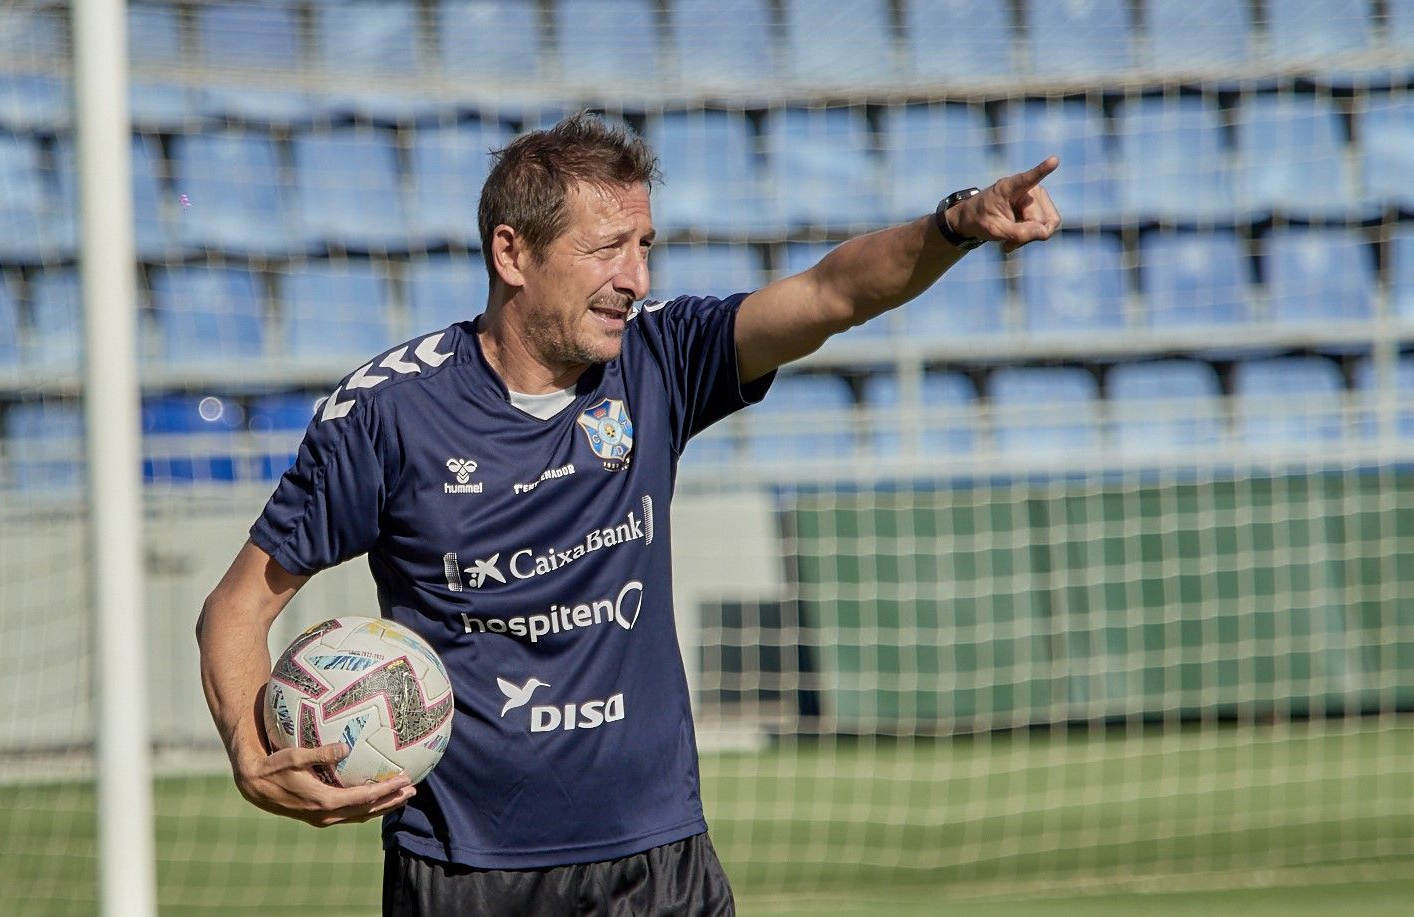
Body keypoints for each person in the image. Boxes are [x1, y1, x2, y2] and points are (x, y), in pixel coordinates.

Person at [196, 112, 1060, 915]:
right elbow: (238, 608)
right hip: (464, 869)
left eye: (644, 246)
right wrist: (248, 748)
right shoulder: (389, 415)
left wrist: (955, 225)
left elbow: (832, 294)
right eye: (608, 248)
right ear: (512, 252)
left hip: (656, 861)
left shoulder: (659, 361)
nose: (635, 279)